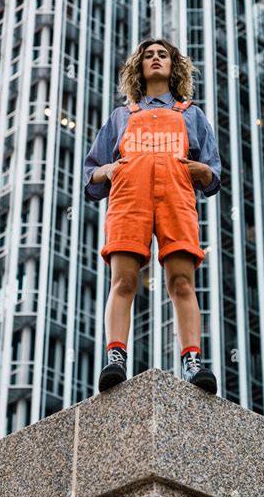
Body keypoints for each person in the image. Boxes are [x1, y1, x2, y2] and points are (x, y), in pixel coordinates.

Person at [83, 36, 222, 394]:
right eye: (149, 55)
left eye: (163, 55)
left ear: (174, 66)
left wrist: (202, 172)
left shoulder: (191, 113)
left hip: (176, 195)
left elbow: (213, 172)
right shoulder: (121, 116)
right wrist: (110, 170)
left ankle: (192, 362)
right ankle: (116, 357)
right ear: (139, 67)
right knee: (124, 280)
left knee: (181, 280)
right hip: (131, 195)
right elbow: (91, 174)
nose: (156, 59)